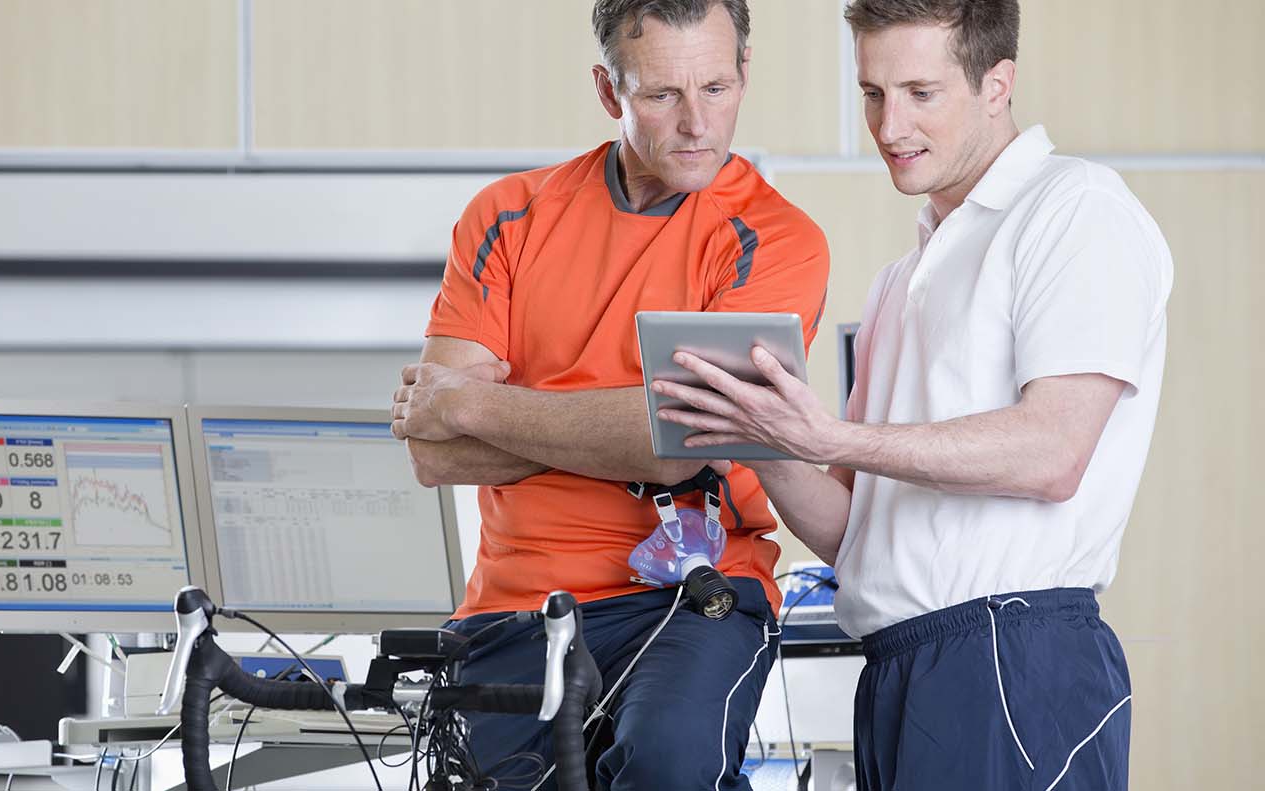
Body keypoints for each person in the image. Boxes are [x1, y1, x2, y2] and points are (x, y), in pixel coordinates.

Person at [651, 1, 1173, 789]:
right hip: (898, 665)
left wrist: (828, 436)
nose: (890, 125)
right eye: (872, 93)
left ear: (998, 84)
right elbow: (851, 531)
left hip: (1012, 656)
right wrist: (755, 436)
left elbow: (1053, 452)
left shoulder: (1074, 209)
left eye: (921, 93)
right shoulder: (903, 279)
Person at [389, 1, 829, 787]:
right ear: (608, 90)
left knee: (666, 762)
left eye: (717, 88)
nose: (698, 122)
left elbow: (676, 448)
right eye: (663, 95)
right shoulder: (508, 217)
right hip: (513, 606)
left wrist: (472, 402)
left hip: (692, 601)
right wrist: (617, 424)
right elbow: (432, 452)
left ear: (745, 74)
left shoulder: (776, 241)